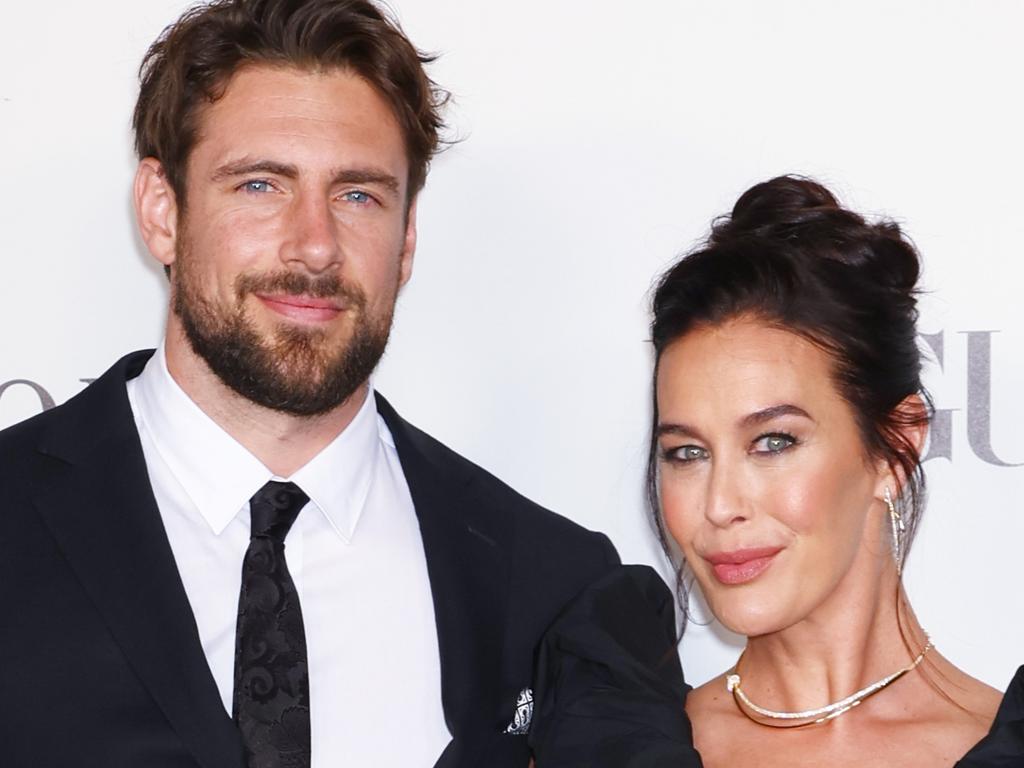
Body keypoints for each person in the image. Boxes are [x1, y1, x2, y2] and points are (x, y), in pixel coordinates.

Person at [0, 1, 618, 766]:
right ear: (162, 212)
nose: (316, 246)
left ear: (407, 239)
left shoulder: (549, 583)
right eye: (261, 185)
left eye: (358, 195)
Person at [529, 176, 1024, 767]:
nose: (719, 504)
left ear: (895, 448)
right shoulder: (605, 748)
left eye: (773, 442)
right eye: (687, 452)